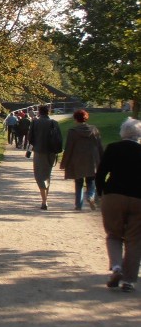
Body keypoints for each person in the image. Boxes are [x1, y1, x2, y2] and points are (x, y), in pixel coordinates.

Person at [95, 117, 141, 292]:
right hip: (138, 198)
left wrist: (102, 192)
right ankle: (129, 280)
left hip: (114, 195)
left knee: (113, 234)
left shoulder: (113, 148)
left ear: (123, 132)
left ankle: (116, 267)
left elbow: (100, 173)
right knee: (135, 240)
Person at [59, 109, 103, 210]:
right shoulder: (94, 130)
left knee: (78, 182)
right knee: (91, 180)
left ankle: (78, 205)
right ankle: (90, 196)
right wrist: (102, 158)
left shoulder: (73, 132)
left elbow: (69, 148)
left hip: (77, 159)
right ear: (86, 118)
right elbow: (99, 145)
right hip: (92, 159)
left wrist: (64, 163)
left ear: (75, 119)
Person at [27, 105, 62, 210]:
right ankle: (45, 198)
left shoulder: (35, 122)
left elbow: (30, 138)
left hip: (39, 151)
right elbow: (59, 139)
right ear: (49, 112)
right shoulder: (54, 123)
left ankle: (44, 201)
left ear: (39, 112)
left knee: (39, 175)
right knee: (47, 174)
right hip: (52, 152)